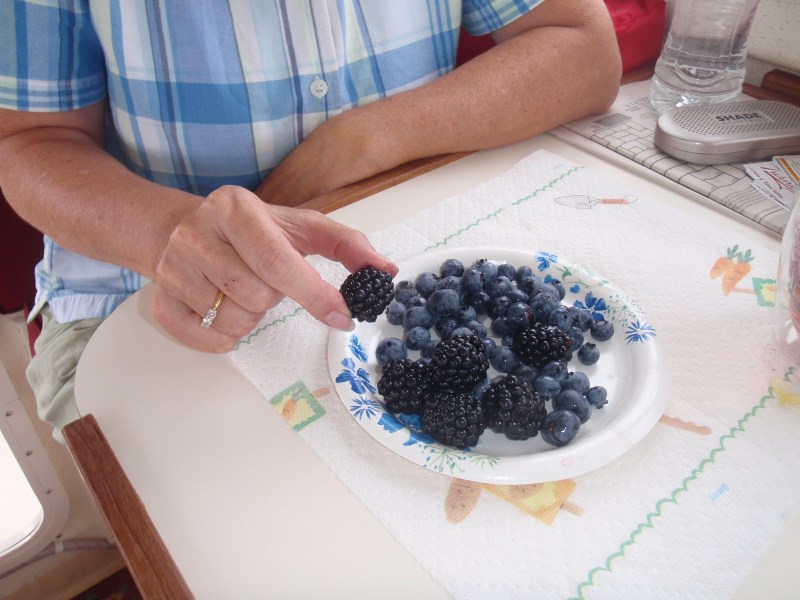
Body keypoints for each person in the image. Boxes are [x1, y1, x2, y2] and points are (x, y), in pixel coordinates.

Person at [0, 0, 622, 441]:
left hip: (411, 243)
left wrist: (358, 142)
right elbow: (28, 141)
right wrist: (171, 232)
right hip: (143, 294)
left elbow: (584, 47)